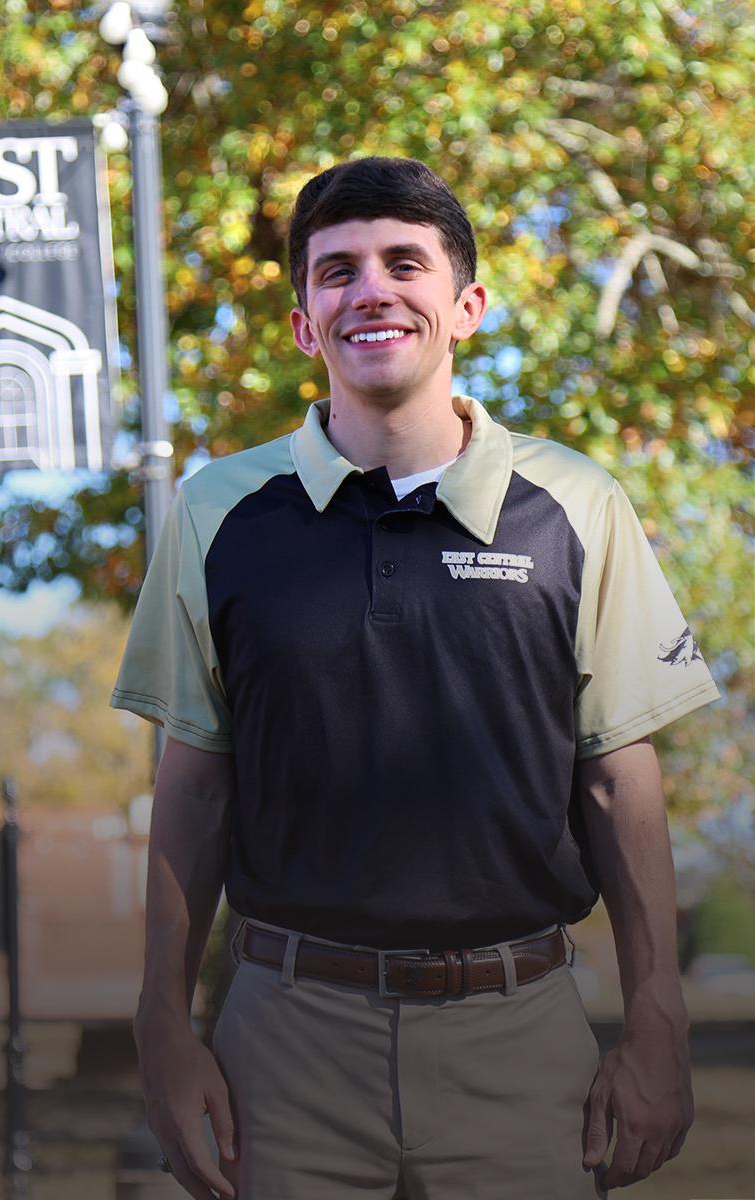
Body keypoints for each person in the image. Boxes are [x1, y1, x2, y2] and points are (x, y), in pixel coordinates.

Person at [111, 157, 720, 1200]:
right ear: (306, 323)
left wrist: (658, 1018)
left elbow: (620, 778)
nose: (372, 290)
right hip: (284, 1042)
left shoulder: (576, 505)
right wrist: (163, 1025)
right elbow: (195, 784)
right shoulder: (215, 512)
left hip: (522, 1036)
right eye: (337, 271)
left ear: (467, 305)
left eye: (405, 262)